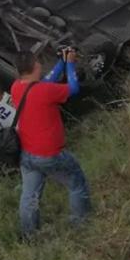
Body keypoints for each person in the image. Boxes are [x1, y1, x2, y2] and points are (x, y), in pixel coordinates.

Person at [12, 49, 90, 238]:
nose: (40, 64)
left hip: (27, 154)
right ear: (34, 66)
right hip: (49, 154)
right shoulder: (46, 91)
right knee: (77, 183)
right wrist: (70, 63)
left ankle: (29, 236)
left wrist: (61, 62)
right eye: (38, 62)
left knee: (29, 196)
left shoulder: (16, 87)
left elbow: (46, 81)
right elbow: (73, 88)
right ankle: (81, 225)